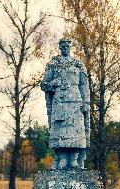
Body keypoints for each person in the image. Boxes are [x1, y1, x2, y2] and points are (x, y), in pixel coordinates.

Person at [41, 38, 90, 169]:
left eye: (67, 46)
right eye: (62, 46)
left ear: (70, 47)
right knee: (60, 130)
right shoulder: (53, 64)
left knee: (76, 130)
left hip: (75, 102)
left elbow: (84, 85)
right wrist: (54, 83)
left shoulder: (78, 64)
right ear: (59, 47)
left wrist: (86, 102)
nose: (65, 48)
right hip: (60, 102)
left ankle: (74, 159)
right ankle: (62, 158)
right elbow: (44, 84)